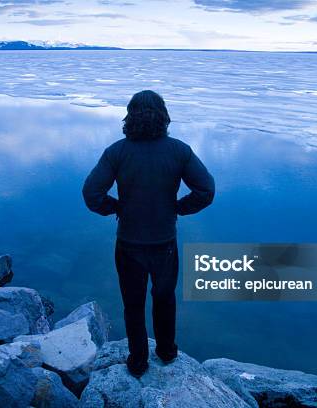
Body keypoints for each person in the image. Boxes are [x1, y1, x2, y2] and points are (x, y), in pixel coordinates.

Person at [82, 90, 215, 377]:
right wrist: (179, 207)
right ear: (163, 116)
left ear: (130, 115)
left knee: (133, 303)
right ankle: (167, 352)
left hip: (129, 244)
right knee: (165, 298)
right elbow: (206, 191)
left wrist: (115, 207)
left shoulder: (116, 152)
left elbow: (92, 194)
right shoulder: (179, 151)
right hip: (164, 244)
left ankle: (138, 360)